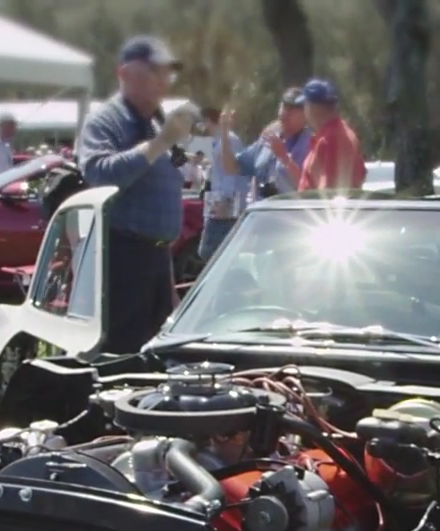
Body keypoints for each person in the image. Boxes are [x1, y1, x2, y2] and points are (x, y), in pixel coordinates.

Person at [76, 35, 198, 354]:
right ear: (124, 74)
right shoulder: (107, 121)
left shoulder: (158, 121)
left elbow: (171, 179)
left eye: (166, 73)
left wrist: (167, 279)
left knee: (157, 354)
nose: (163, 81)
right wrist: (160, 143)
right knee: (122, 353)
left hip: (156, 256)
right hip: (121, 257)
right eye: (153, 72)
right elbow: (100, 174)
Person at [214, 87, 312, 202]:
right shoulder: (267, 139)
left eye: (294, 109)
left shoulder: (309, 144)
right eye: (285, 106)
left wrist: (283, 156)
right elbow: (230, 167)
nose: (287, 112)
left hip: (289, 213)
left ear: (305, 115)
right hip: (262, 212)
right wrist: (224, 133)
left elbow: (307, 186)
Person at [198, 107, 250, 260]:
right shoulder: (217, 141)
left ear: (208, 120)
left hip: (225, 205)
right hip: (217, 201)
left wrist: (226, 200)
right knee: (212, 253)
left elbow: (231, 173)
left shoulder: (229, 140)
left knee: (211, 252)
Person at [295, 79, 363, 191]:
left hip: (317, 207)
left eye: (305, 105)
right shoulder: (340, 132)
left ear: (313, 108)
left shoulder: (330, 139)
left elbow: (328, 191)